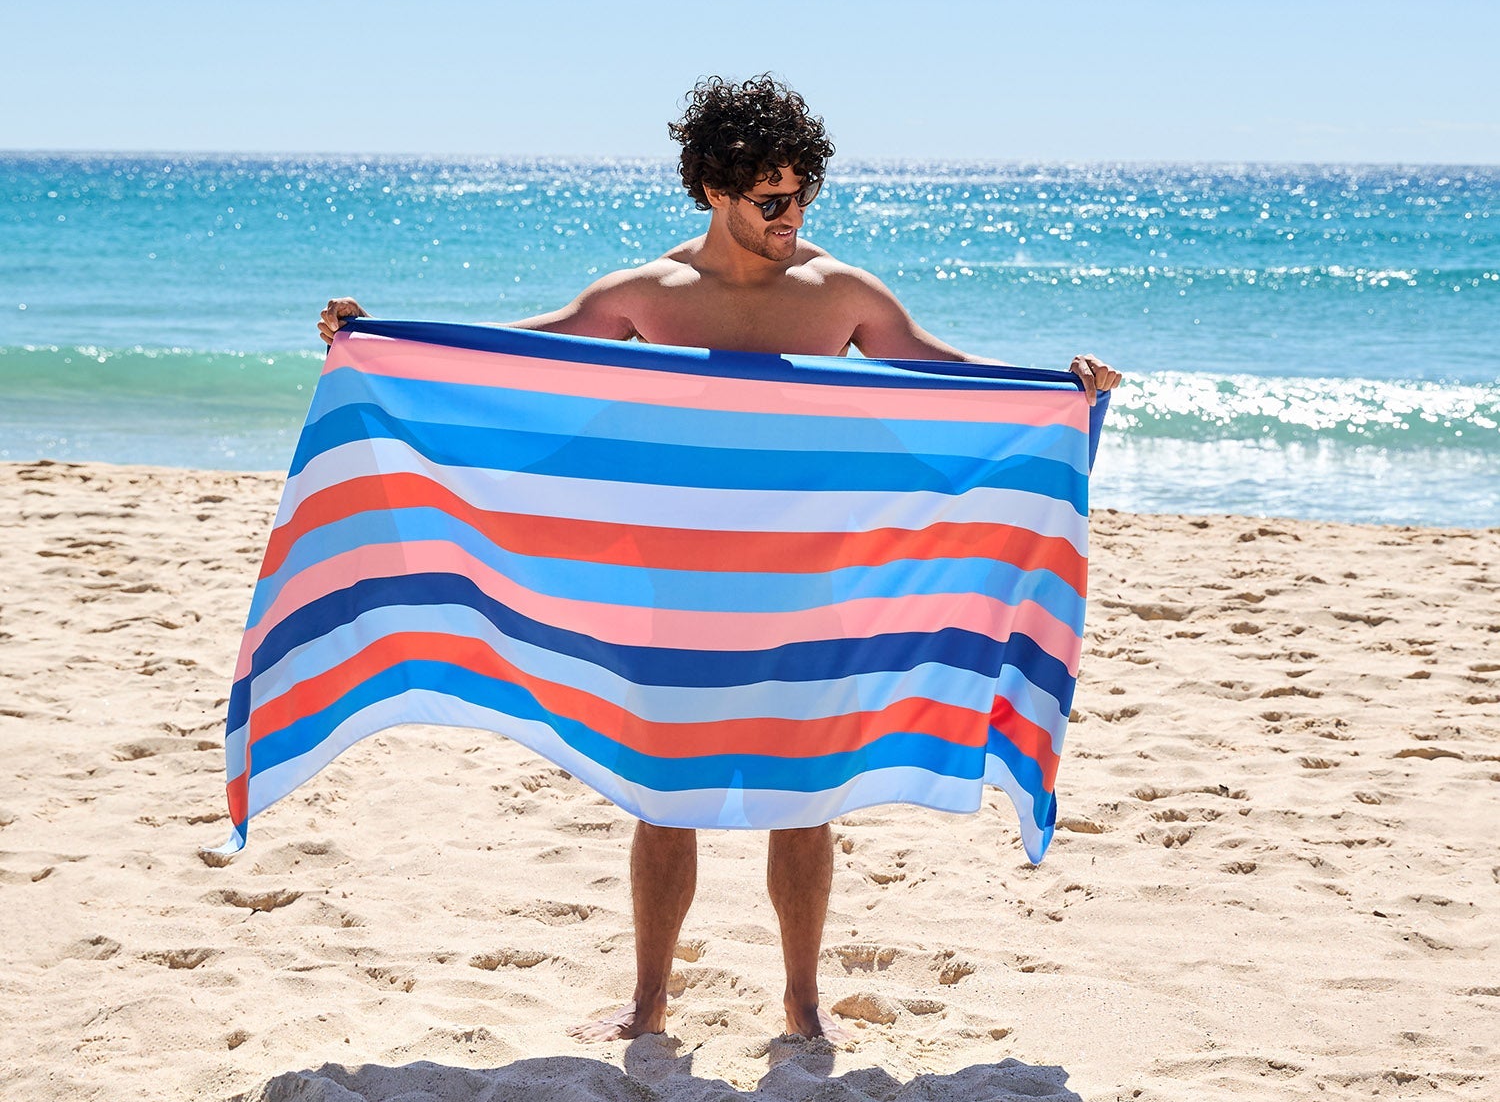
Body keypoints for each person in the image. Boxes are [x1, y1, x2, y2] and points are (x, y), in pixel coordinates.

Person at [317, 74, 1121, 1043]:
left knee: (806, 802)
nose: (793, 216)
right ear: (713, 190)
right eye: (770, 200)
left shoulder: (841, 295)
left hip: (813, 585)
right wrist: (375, 340)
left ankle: (802, 1002)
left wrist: (1064, 392)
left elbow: (951, 381)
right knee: (663, 799)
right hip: (674, 593)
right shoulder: (646, 295)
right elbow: (504, 359)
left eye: (803, 195)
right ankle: (650, 999)